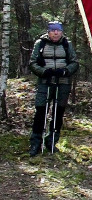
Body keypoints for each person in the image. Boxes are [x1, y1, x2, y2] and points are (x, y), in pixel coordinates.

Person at [28, 22, 80, 156]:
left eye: (58, 30)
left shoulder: (67, 44)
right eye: (53, 30)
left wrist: (65, 71)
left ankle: (52, 141)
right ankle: (35, 143)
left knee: (58, 113)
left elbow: (74, 62)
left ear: (61, 32)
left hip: (63, 83)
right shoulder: (40, 44)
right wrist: (44, 72)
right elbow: (32, 63)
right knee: (40, 111)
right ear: (48, 32)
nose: (56, 33)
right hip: (45, 82)